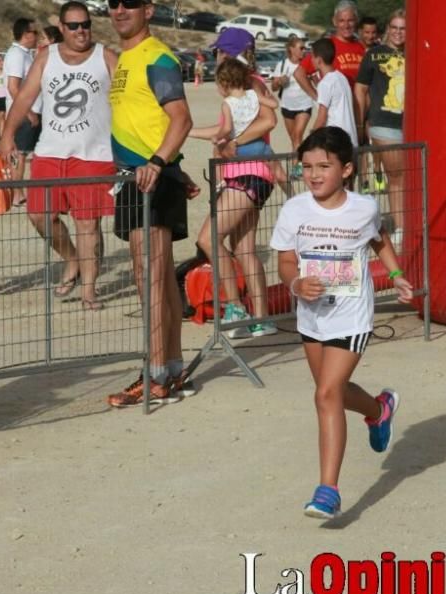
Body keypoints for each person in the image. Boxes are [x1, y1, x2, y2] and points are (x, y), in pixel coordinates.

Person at [270, 126, 413, 519]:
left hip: (352, 315)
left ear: (347, 169)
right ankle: (378, 410)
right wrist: (296, 282)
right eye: (307, 167)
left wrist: (397, 273)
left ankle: (327, 491)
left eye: (324, 166)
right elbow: (284, 260)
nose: (314, 175)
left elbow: (378, 238)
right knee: (331, 390)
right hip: (312, 315)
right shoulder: (295, 209)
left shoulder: (363, 207)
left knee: (325, 395)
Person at [0, 0, 118, 311]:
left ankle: (89, 292)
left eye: (86, 25)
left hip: (94, 155)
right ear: (62, 28)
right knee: (39, 216)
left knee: (87, 224)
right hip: (50, 152)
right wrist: (7, 135)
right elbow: (25, 97)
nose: (81, 31)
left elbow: (129, 102)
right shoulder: (46, 57)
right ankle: (72, 259)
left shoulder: (106, 56)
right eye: (74, 26)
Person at [106, 0, 194, 407]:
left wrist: (160, 163)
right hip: (141, 177)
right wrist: (172, 165)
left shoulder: (157, 56)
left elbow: (181, 118)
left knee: (149, 276)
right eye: (113, 3)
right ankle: (171, 370)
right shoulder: (127, 58)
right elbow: (147, 124)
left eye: (130, 2)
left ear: (149, 9)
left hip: (149, 179)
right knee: (157, 276)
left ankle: (155, 374)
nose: (120, 9)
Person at [192, 28, 280, 340]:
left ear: (229, 53)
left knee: (208, 238)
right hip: (249, 173)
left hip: (247, 172)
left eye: (219, 51)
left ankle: (235, 308)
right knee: (243, 248)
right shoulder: (251, 83)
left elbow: (270, 120)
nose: (216, 56)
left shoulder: (249, 82)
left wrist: (234, 145)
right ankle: (261, 317)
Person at [355, 10, 407, 235]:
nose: (397, 32)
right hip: (385, 122)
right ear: (388, 30)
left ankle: (410, 223)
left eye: (403, 28)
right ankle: (401, 228)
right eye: (394, 27)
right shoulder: (374, 54)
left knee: (415, 175)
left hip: (415, 122)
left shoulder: (419, 52)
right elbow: (360, 88)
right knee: (396, 175)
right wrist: (359, 123)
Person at [293, 0, 366, 138]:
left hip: (358, 114)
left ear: (356, 21)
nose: (346, 25)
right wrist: (317, 97)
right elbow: (299, 73)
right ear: (334, 21)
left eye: (350, 20)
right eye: (342, 20)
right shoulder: (328, 46)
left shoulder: (360, 47)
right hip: (337, 117)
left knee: (359, 155)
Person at [4, 17, 41, 204]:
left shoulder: (26, 54)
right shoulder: (17, 55)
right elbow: (13, 87)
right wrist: (28, 111)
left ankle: (18, 192)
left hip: (31, 111)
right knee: (20, 154)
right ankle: (16, 194)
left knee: (24, 153)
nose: (37, 36)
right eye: (34, 32)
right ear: (26, 34)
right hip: (24, 114)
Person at [311, 38, 357, 147]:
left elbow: (322, 118)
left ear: (319, 60)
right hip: (351, 140)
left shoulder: (325, 83)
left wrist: (310, 139)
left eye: (312, 56)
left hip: (337, 141)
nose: (311, 60)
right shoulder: (341, 77)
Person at [271, 36, 315, 151]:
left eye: (304, 48)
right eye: (301, 48)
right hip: (287, 105)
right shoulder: (282, 65)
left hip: (304, 105)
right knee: (294, 140)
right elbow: (273, 88)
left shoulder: (307, 64)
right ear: (291, 49)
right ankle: (298, 164)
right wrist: (280, 81)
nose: (304, 51)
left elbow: (317, 81)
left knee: (297, 136)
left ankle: (298, 169)